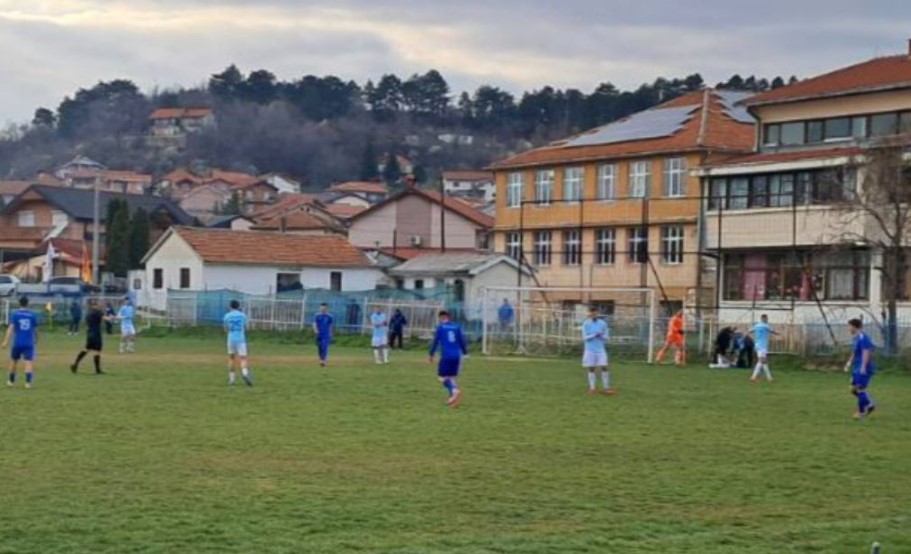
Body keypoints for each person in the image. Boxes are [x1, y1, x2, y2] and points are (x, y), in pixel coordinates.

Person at [429, 310, 468, 408]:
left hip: (446, 356)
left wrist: (431, 354)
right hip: (457, 356)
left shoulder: (440, 327)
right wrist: (465, 353)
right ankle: (452, 400)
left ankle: (454, 391)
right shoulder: (457, 327)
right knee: (451, 377)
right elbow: (462, 341)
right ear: (449, 317)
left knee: (441, 377)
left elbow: (435, 342)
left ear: (441, 318)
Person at [2, 297, 38, 388]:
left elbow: (10, 329)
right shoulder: (32, 315)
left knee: (14, 361)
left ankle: (11, 381)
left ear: (19, 303)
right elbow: (35, 330)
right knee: (28, 362)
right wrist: (36, 339)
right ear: (27, 303)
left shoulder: (15, 315)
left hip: (17, 342)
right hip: (29, 342)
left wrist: (5, 341)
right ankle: (28, 383)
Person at [845, 318, 876, 420]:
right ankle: (869, 404)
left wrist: (863, 366)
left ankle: (861, 412)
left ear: (854, 327)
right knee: (853, 389)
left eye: (849, 326)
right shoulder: (856, 338)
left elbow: (866, 352)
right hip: (857, 367)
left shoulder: (863, 337)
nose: (848, 328)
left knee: (859, 389)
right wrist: (849, 362)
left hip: (863, 368)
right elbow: (855, 352)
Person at [583, 306, 614, 395]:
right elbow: (585, 337)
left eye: (595, 313)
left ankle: (606, 388)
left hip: (600, 349)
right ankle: (592, 388)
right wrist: (594, 335)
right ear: (589, 314)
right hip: (590, 349)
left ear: (597, 313)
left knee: (604, 366)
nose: (593, 315)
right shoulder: (586, 324)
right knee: (591, 368)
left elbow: (606, 337)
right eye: (591, 313)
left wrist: (601, 336)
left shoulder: (603, 323)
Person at [71, 299, 107, 375]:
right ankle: (97, 370)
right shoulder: (98, 312)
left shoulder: (89, 313)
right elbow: (105, 319)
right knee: (97, 351)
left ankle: (75, 364)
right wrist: (114, 318)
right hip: (96, 333)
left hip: (90, 333)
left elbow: (85, 322)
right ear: (96, 305)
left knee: (86, 349)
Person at [223, 300, 253, 386]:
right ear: (238, 306)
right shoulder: (243, 315)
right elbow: (245, 326)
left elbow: (225, 328)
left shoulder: (227, 316)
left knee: (231, 358)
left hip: (231, 339)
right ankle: (244, 373)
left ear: (230, 306)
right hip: (241, 339)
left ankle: (232, 380)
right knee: (243, 358)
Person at [748, 314, 778, 382]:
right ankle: (754, 377)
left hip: (757, 345)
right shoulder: (766, 326)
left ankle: (769, 378)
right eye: (766, 319)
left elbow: (750, 331)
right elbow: (772, 331)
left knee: (763, 361)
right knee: (762, 361)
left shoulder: (756, 325)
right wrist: (778, 333)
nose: (767, 320)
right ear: (764, 319)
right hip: (762, 345)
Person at [313, 303, 334, 367]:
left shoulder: (329, 316)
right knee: (319, 347)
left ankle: (323, 361)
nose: (323, 309)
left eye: (324, 308)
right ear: (320, 308)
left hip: (326, 334)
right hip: (319, 334)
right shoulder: (317, 315)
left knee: (324, 347)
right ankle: (321, 359)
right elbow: (314, 324)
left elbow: (330, 325)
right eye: (321, 308)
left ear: (327, 309)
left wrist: (330, 333)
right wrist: (316, 330)